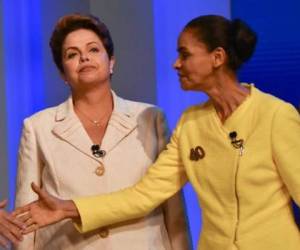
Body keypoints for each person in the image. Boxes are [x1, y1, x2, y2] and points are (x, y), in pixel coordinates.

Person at [15, 14, 300, 250]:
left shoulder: (276, 115)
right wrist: (69, 208)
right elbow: (144, 195)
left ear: (217, 57)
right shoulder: (191, 123)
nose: (176, 64)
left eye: (184, 54)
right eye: (72, 55)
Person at [13, 14, 190, 250]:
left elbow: (173, 207)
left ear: (111, 62)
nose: (84, 57)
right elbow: (28, 215)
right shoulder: (37, 127)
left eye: (93, 50)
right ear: (63, 74)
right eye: (72, 54)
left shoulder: (150, 118)